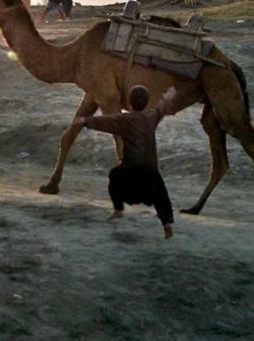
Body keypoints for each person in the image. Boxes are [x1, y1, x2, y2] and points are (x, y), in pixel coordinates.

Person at [75, 85, 178, 239]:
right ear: (146, 102)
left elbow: (105, 121)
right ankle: (167, 224)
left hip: (130, 169)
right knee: (160, 195)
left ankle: (118, 209)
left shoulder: (124, 119)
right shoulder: (151, 117)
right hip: (150, 169)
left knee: (114, 175)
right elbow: (161, 107)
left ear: (130, 103)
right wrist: (168, 95)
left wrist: (84, 120)